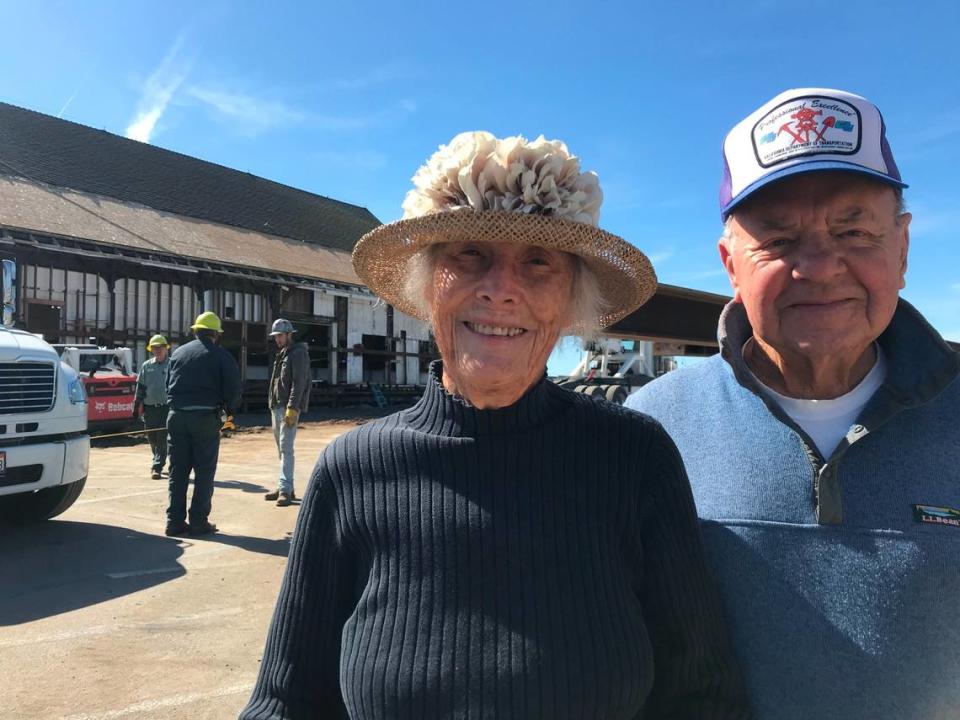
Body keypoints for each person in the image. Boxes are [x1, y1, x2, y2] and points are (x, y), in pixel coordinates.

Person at [240, 132, 749, 719]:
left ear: (570, 303)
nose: (502, 289)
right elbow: (285, 702)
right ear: (429, 287)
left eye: (538, 262)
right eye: (469, 255)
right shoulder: (352, 470)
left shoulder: (634, 457)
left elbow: (703, 698)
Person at [627, 88, 960, 719]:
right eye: (778, 240)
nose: (819, 265)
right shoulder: (649, 428)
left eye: (854, 230)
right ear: (731, 265)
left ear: (904, 247)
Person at [164, 311, 241, 537]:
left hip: (176, 417)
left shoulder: (178, 353)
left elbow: (169, 384)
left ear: (195, 331)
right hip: (205, 418)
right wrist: (230, 412)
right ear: (216, 334)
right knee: (204, 471)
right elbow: (234, 390)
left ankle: (174, 521)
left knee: (177, 471)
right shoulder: (221, 356)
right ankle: (198, 521)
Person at [264, 318, 311, 507]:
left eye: (280, 336)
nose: (277, 340)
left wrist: (293, 407)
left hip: (287, 407)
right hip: (276, 406)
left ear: (289, 335)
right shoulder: (282, 353)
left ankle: (285, 490)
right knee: (281, 449)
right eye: (275, 337)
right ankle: (286, 486)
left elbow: (299, 383)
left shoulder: (297, 354)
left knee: (286, 448)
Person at [133, 334, 171, 480]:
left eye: (159, 348)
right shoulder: (146, 366)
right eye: (154, 348)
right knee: (152, 437)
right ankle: (159, 457)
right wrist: (136, 405)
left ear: (165, 349)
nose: (157, 350)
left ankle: (157, 466)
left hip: (166, 407)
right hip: (150, 408)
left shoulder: (172, 364)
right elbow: (141, 387)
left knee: (161, 436)